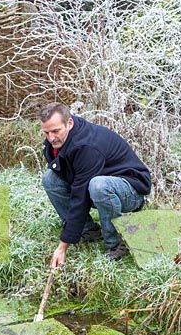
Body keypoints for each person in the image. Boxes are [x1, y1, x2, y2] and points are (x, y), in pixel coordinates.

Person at [39, 102, 151, 268]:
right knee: (50, 179)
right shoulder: (62, 137)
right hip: (100, 184)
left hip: (131, 190)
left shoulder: (86, 146)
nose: (51, 138)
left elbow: (79, 195)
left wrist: (63, 246)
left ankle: (116, 242)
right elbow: (76, 183)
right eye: (46, 132)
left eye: (55, 131)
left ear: (69, 123)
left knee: (98, 186)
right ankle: (89, 230)